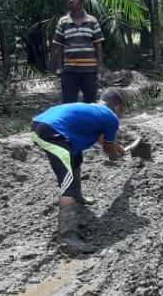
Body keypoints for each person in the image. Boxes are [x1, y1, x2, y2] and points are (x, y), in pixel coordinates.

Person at [30, 89, 128, 253]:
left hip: (42, 125)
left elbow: (101, 138)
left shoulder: (93, 110)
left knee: (76, 158)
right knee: (67, 184)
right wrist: (114, 155)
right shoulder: (111, 117)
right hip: (53, 133)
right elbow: (108, 146)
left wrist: (117, 147)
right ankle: (67, 236)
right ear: (117, 107)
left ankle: (78, 197)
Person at [52, 0, 105, 104]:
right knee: (69, 102)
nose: (71, 0)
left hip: (89, 70)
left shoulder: (92, 20)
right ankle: (71, 122)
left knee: (90, 102)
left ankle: (89, 122)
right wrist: (59, 66)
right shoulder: (63, 22)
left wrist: (100, 66)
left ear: (81, 2)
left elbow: (98, 44)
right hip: (70, 70)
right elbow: (58, 47)